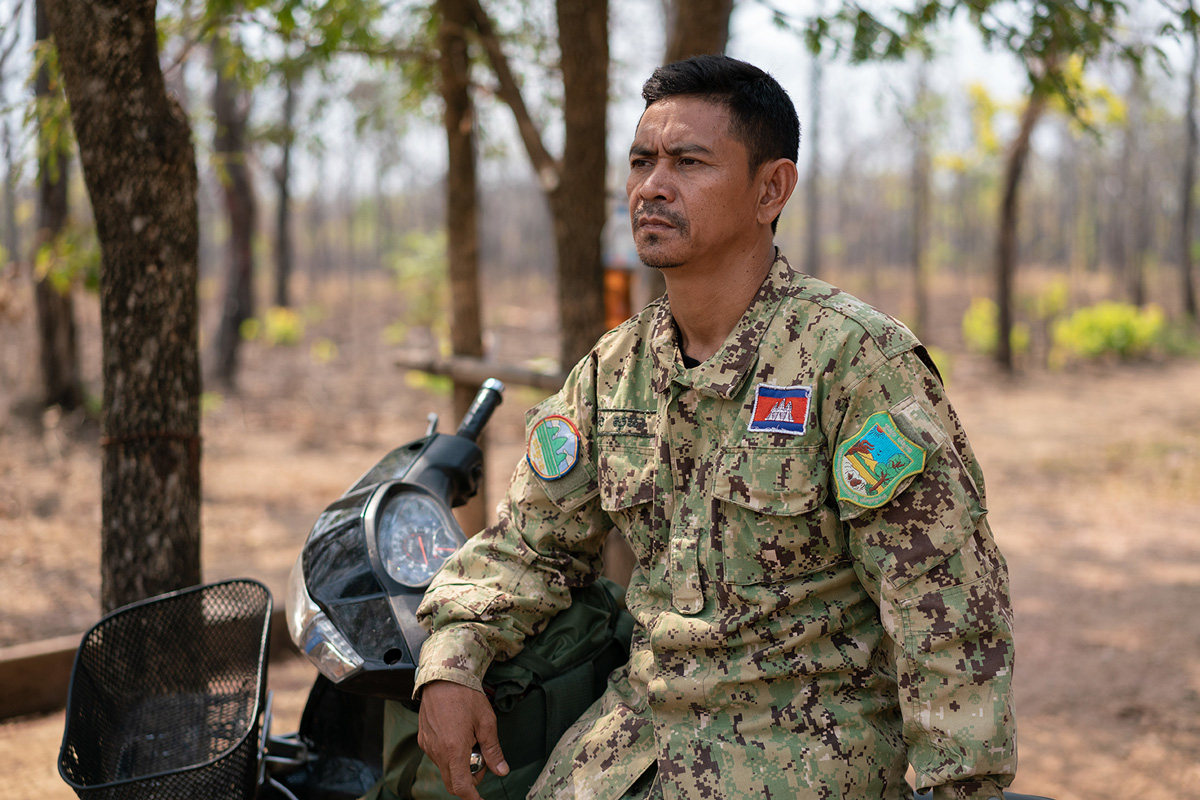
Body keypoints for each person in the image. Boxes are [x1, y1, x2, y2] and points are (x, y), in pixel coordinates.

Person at [415, 54, 1017, 800]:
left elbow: (946, 610)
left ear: (771, 189)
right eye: (642, 161)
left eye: (688, 162)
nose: (652, 186)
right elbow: (528, 546)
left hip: (807, 759)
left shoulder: (854, 363)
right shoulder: (616, 370)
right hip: (627, 754)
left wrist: (959, 786)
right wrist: (452, 656)